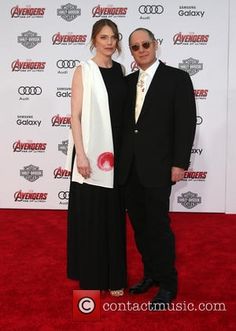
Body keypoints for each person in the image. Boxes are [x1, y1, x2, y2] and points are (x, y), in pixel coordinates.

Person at [118, 28, 196, 309]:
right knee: (139, 227)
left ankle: (168, 283)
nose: (141, 50)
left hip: (159, 167)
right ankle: (150, 273)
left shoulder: (177, 78)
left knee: (159, 227)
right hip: (129, 169)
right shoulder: (126, 83)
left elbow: (186, 123)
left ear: (156, 45)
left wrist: (179, 163)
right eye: (135, 46)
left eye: (146, 44)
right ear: (131, 51)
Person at [66, 19, 127, 296]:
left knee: (113, 217)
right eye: (104, 37)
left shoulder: (121, 70)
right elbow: (75, 116)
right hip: (89, 156)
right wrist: (81, 155)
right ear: (94, 39)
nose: (110, 42)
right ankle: (92, 277)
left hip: (115, 158)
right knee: (91, 218)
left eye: (114, 37)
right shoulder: (83, 70)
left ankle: (114, 277)